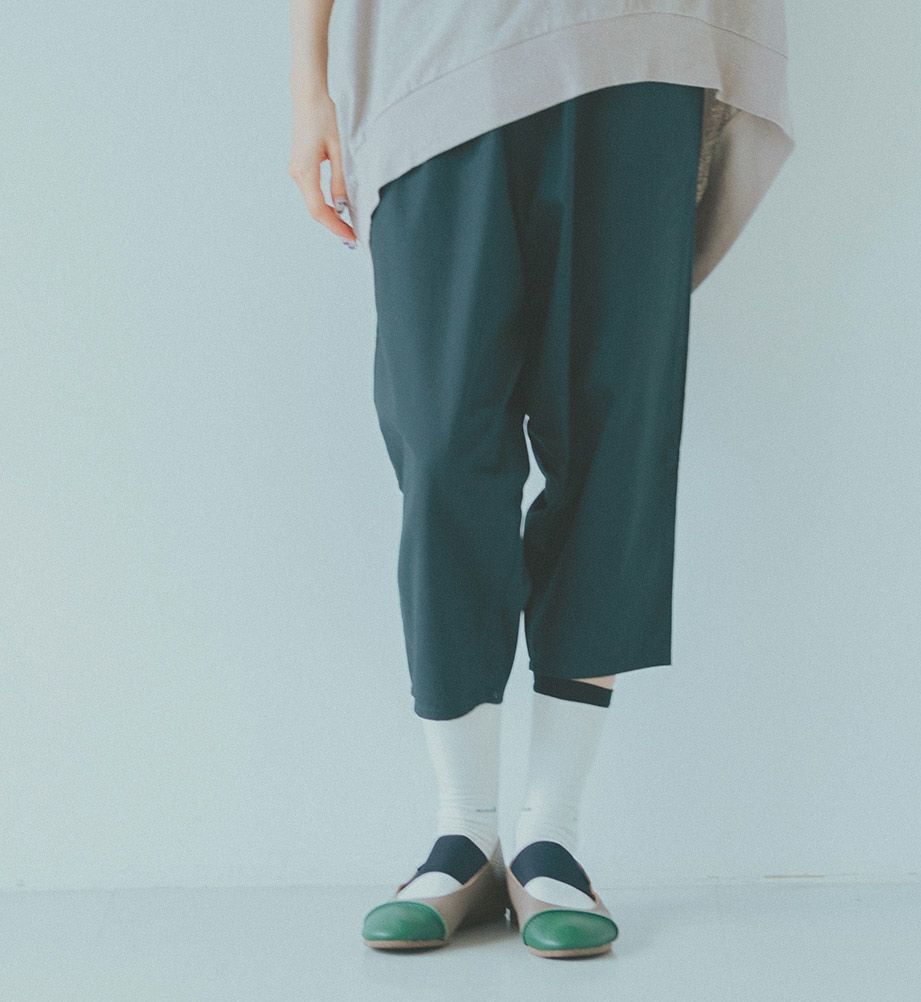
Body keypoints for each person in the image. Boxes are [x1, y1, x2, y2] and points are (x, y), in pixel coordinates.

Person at [289, 0, 795, 959]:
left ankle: (550, 835)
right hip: (431, 62)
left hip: (638, 48)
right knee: (443, 442)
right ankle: (463, 828)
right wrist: (308, 83)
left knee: (611, 436)